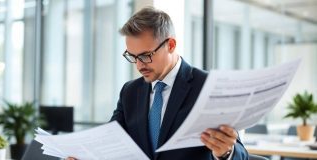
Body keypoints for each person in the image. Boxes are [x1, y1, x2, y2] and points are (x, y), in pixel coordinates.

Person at [68, 7, 248, 160]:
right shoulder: (130, 91)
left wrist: (225, 152)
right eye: (132, 56)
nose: (139, 65)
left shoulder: (208, 86)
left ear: (170, 45)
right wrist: (86, 154)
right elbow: (110, 138)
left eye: (146, 56)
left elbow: (241, 153)